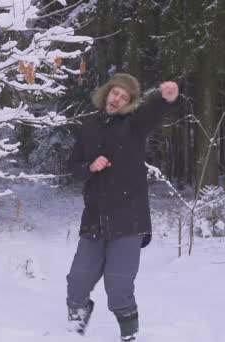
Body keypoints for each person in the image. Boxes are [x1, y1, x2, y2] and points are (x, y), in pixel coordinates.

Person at [67, 73, 179, 341]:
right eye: (114, 92)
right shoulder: (88, 126)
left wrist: (164, 100)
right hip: (94, 215)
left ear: (129, 103)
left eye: (124, 96)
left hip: (129, 218)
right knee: (77, 281)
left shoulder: (133, 125)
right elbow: (73, 166)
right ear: (106, 93)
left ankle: (129, 335)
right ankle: (74, 330)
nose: (116, 98)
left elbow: (151, 115)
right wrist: (89, 167)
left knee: (118, 286)